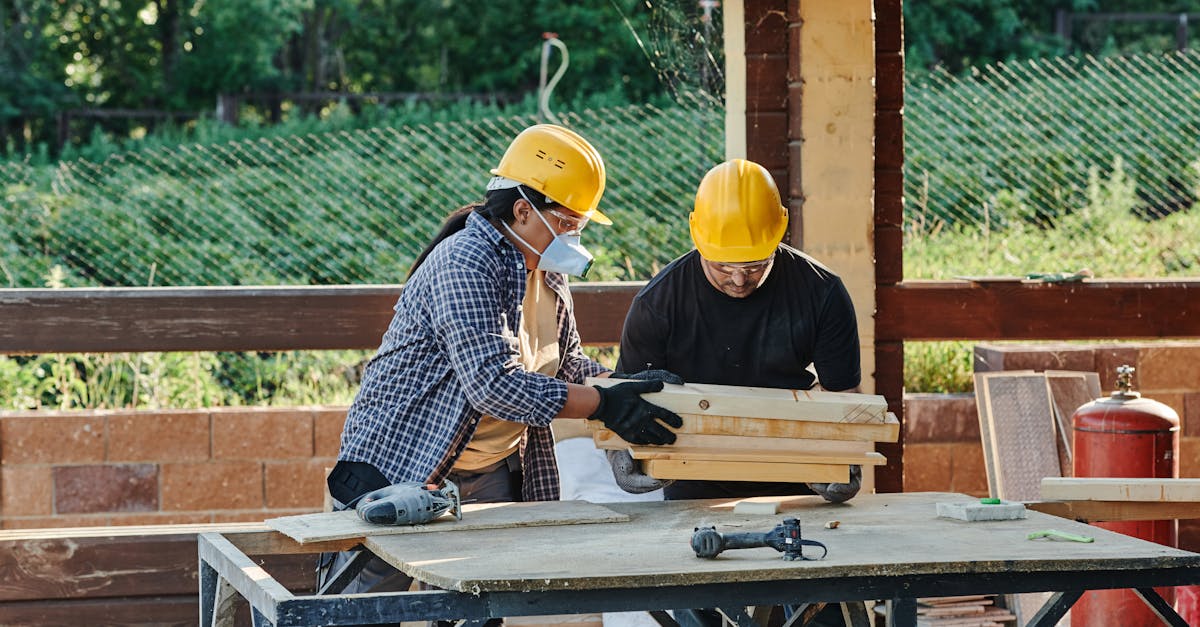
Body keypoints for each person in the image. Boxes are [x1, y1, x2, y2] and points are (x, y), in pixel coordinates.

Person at [319, 124, 683, 595]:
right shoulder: (466, 262)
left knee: (474, 604)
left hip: (489, 471)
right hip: (401, 466)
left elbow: (569, 365)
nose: (577, 235)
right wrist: (603, 406)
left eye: (581, 224)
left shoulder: (546, 273)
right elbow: (493, 384)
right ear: (523, 210)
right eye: (570, 222)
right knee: (363, 602)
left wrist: (625, 385)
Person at [609, 158, 863, 627]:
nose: (739, 279)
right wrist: (626, 458)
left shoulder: (822, 292)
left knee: (822, 612)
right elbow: (625, 401)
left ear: (779, 236)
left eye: (754, 264)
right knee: (698, 609)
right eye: (723, 264)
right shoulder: (658, 303)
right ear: (696, 238)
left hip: (796, 478)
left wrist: (842, 457)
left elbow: (844, 398)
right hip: (692, 479)